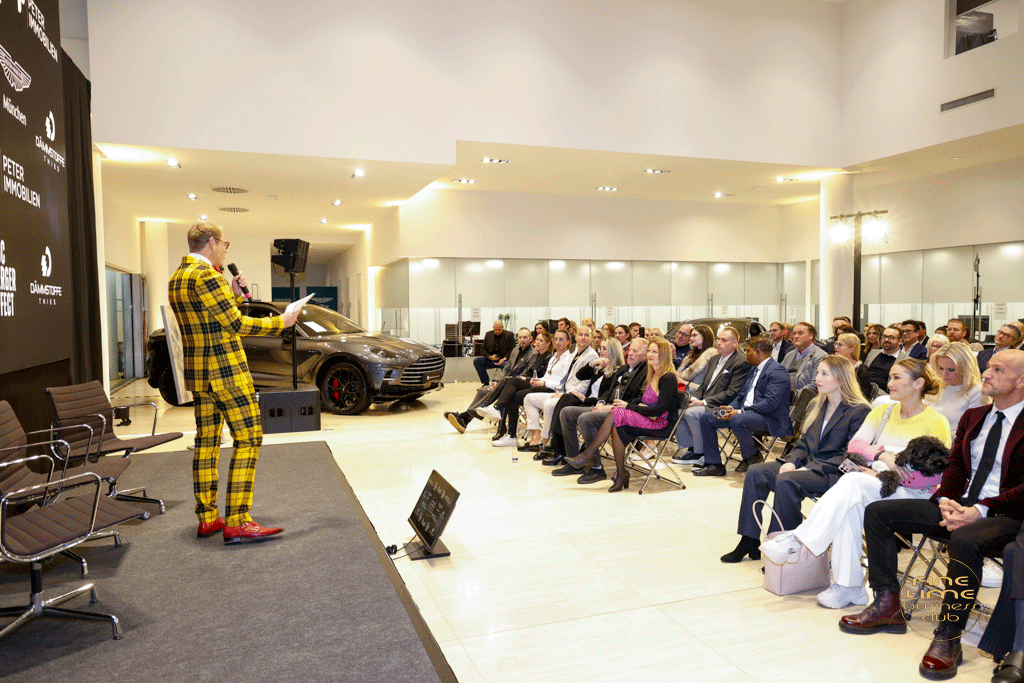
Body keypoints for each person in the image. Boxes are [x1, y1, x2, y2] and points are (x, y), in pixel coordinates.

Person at [836, 350, 1024, 681]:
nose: (986, 373)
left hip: (1005, 514)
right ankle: (887, 603)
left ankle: (949, 635)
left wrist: (979, 510)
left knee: (964, 538)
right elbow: (956, 467)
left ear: (1021, 380)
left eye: (997, 369)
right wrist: (946, 500)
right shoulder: (975, 416)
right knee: (878, 513)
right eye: (988, 368)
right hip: (960, 503)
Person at [760, 358, 952, 608]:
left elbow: (935, 475)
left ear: (918, 383)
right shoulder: (883, 411)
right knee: (848, 505)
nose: (889, 383)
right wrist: (883, 456)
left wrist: (880, 473)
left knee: (852, 482)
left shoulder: (936, 422)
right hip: (875, 485)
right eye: (890, 377)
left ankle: (798, 541)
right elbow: (855, 446)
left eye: (896, 378)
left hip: (914, 494)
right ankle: (848, 588)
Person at [168, 221, 298, 544]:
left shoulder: (178, 278)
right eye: (225, 244)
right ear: (212, 243)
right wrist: (280, 322)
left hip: (200, 375)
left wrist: (234, 295)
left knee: (206, 443)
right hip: (225, 373)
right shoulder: (208, 277)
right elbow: (236, 325)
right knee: (249, 437)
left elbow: (213, 321)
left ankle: (207, 518)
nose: (226, 250)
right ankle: (238, 520)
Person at [721, 356, 871, 564]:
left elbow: (851, 455)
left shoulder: (859, 410)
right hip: (807, 465)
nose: (817, 378)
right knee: (756, 472)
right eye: (818, 373)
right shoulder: (818, 405)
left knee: (786, 480)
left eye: (824, 374)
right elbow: (804, 443)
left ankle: (783, 548)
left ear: (840, 378)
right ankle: (749, 539)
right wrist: (792, 461)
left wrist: (809, 469)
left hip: (834, 472)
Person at [563, 338, 679, 492]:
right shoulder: (653, 375)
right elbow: (648, 405)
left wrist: (628, 406)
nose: (650, 354)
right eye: (649, 351)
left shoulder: (668, 377)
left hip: (661, 424)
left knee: (616, 412)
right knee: (618, 425)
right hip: (649, 419)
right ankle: (620, 474)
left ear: (664, 355)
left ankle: (588, 455)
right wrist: (634, 407)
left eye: (655, 352)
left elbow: (659, 410)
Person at [693, 335, 792, 476]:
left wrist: (740, 412)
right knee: (707, 417)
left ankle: (752, 456)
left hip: (769, 417)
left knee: (737, 420)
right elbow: (741, 396)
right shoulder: (753, 370)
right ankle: (714, 464)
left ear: (758, 352)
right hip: (744, 413)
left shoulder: (777, 371)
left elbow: (770, 404)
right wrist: (731, 408)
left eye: (748, 351)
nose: (746, 354)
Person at [552, 338, 648, 483]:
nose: (630, 353)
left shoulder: (646, 373)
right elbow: (607, 391)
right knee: (566, 412)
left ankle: (596, 468)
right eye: (630, 350)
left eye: (635, 351)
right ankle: (575, 462)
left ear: (644, 356)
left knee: (585, 419)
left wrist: (612, 407)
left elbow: (640, 399)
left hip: (623, 412)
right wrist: (601, 402)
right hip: (606, 406)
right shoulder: (623, 369)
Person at [672, 326, 749, 464]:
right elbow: (703, 386)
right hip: (706, 403)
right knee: (678, 410)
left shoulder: (741, 362)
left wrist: (703, 402)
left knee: (691, 413)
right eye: (718, 339)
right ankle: (692, 448)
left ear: (734, 343)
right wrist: (695, 399)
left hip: (724, 408)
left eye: (724, 340)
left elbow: (732, 393)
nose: (719, 342)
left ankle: (700, 452)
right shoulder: (714, 359)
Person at [543, 338, 625, 466]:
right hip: (588, 401)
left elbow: (607, 396)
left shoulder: (618, 371)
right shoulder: (599, 368)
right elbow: (579, 375)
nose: (601, 351)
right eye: (600, 349)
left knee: (568, 405)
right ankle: (557, 443)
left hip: (596, 404)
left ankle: (557, 444)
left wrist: (585, 399)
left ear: (613, 352)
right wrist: (592, 363)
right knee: (566, 398)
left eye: (605, 349)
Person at [444, 327, 537, 433]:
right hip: (505, 382)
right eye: (520, 337)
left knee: (490, 391)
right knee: (483, 390)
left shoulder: (533, 354)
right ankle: (465, 419)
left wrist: (504, 382)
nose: (522, 340)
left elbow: (525, 374)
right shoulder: (515, 350)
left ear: (530, 339)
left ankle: (465, 417)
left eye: (525, 337)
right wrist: (497, 382)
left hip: (517, 385)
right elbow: (507, 369)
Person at [521, 326, 598, 451]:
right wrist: (559, 391)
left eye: (586, 335)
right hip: (563, 392)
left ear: (591, 338)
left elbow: (585, 384)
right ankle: (536, 437)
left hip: (575, 396)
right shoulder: (575, 353)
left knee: (549, 403)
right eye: (580, 334)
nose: (583, 337)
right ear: (575, 337)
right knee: (529, 399)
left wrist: (564, 394)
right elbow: (565, 378)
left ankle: (547, 440)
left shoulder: (591, 355)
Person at [492, 330, 571, 447]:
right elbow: (546, 376)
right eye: (556, 339)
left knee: (513, 393)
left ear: (568, 342)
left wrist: (543, 383)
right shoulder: (554, 357)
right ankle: (511, 432)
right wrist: (537, 380)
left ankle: (510, 430)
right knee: (512, 383)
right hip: (543, 385)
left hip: (553, 391)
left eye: (561, 339)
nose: (558, 342)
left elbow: (562, 383)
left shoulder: (568, 358)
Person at [927, 341, 988, 432]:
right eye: (940, 368)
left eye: (951, 370)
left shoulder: (978, 391)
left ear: (965, 368)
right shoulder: (935, 385)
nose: (944, 374)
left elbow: (974, 431)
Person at [782, 322, 827, 393]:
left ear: (811, 336)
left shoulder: (820, 356)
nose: (796, 336)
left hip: (804, 397)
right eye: (794, 334)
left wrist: (793, 395)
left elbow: (815, 385)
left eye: (800, 333)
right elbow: (778, 375)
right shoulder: (789, 355)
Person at [834, 332, 876, 401]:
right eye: (836, 344)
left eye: (840, 345)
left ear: (851, 349)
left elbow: (862, 396)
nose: (836, 347)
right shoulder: (834, 365)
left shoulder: (861, 370)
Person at [473, 320, 515, 385]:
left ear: (502, 327)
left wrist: (504, 359)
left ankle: (505, 384)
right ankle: (485, 383)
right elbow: (482, 350)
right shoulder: (488, 334)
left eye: (499, 329)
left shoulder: (509, 335)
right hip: (491, 359)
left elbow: (513, 350)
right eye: (496, 330)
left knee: (507, 366)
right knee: (477, 361)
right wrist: (490, 357)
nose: (497, 331)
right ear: (493, 328)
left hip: (504, 360)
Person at [676, 324, 718, 389]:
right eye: (691, 336)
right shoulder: (690, 356)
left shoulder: (711, 357)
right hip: (682, 391)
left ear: (705, 336)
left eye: (694, 335)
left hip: (693, 393)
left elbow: (702, 387)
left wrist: (683, 382)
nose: (691, 338)